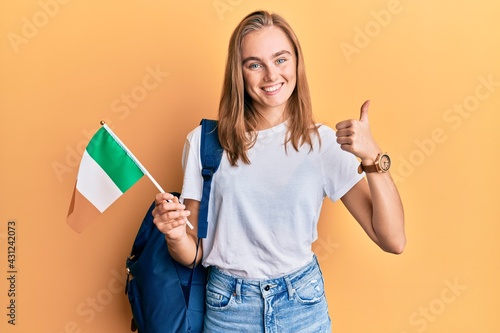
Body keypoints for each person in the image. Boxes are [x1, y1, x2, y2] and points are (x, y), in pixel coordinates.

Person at [152, 10, 405, 332]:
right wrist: (175, 236)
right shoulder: (205, 142)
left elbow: (392, 239)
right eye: (255, 64)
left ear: (297, 64)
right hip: (228, 307)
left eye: (281, 60)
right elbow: (194, 253)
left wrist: (373, 159)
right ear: (239, 73)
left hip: (302, 304)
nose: (271, 75)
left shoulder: (323, 143)